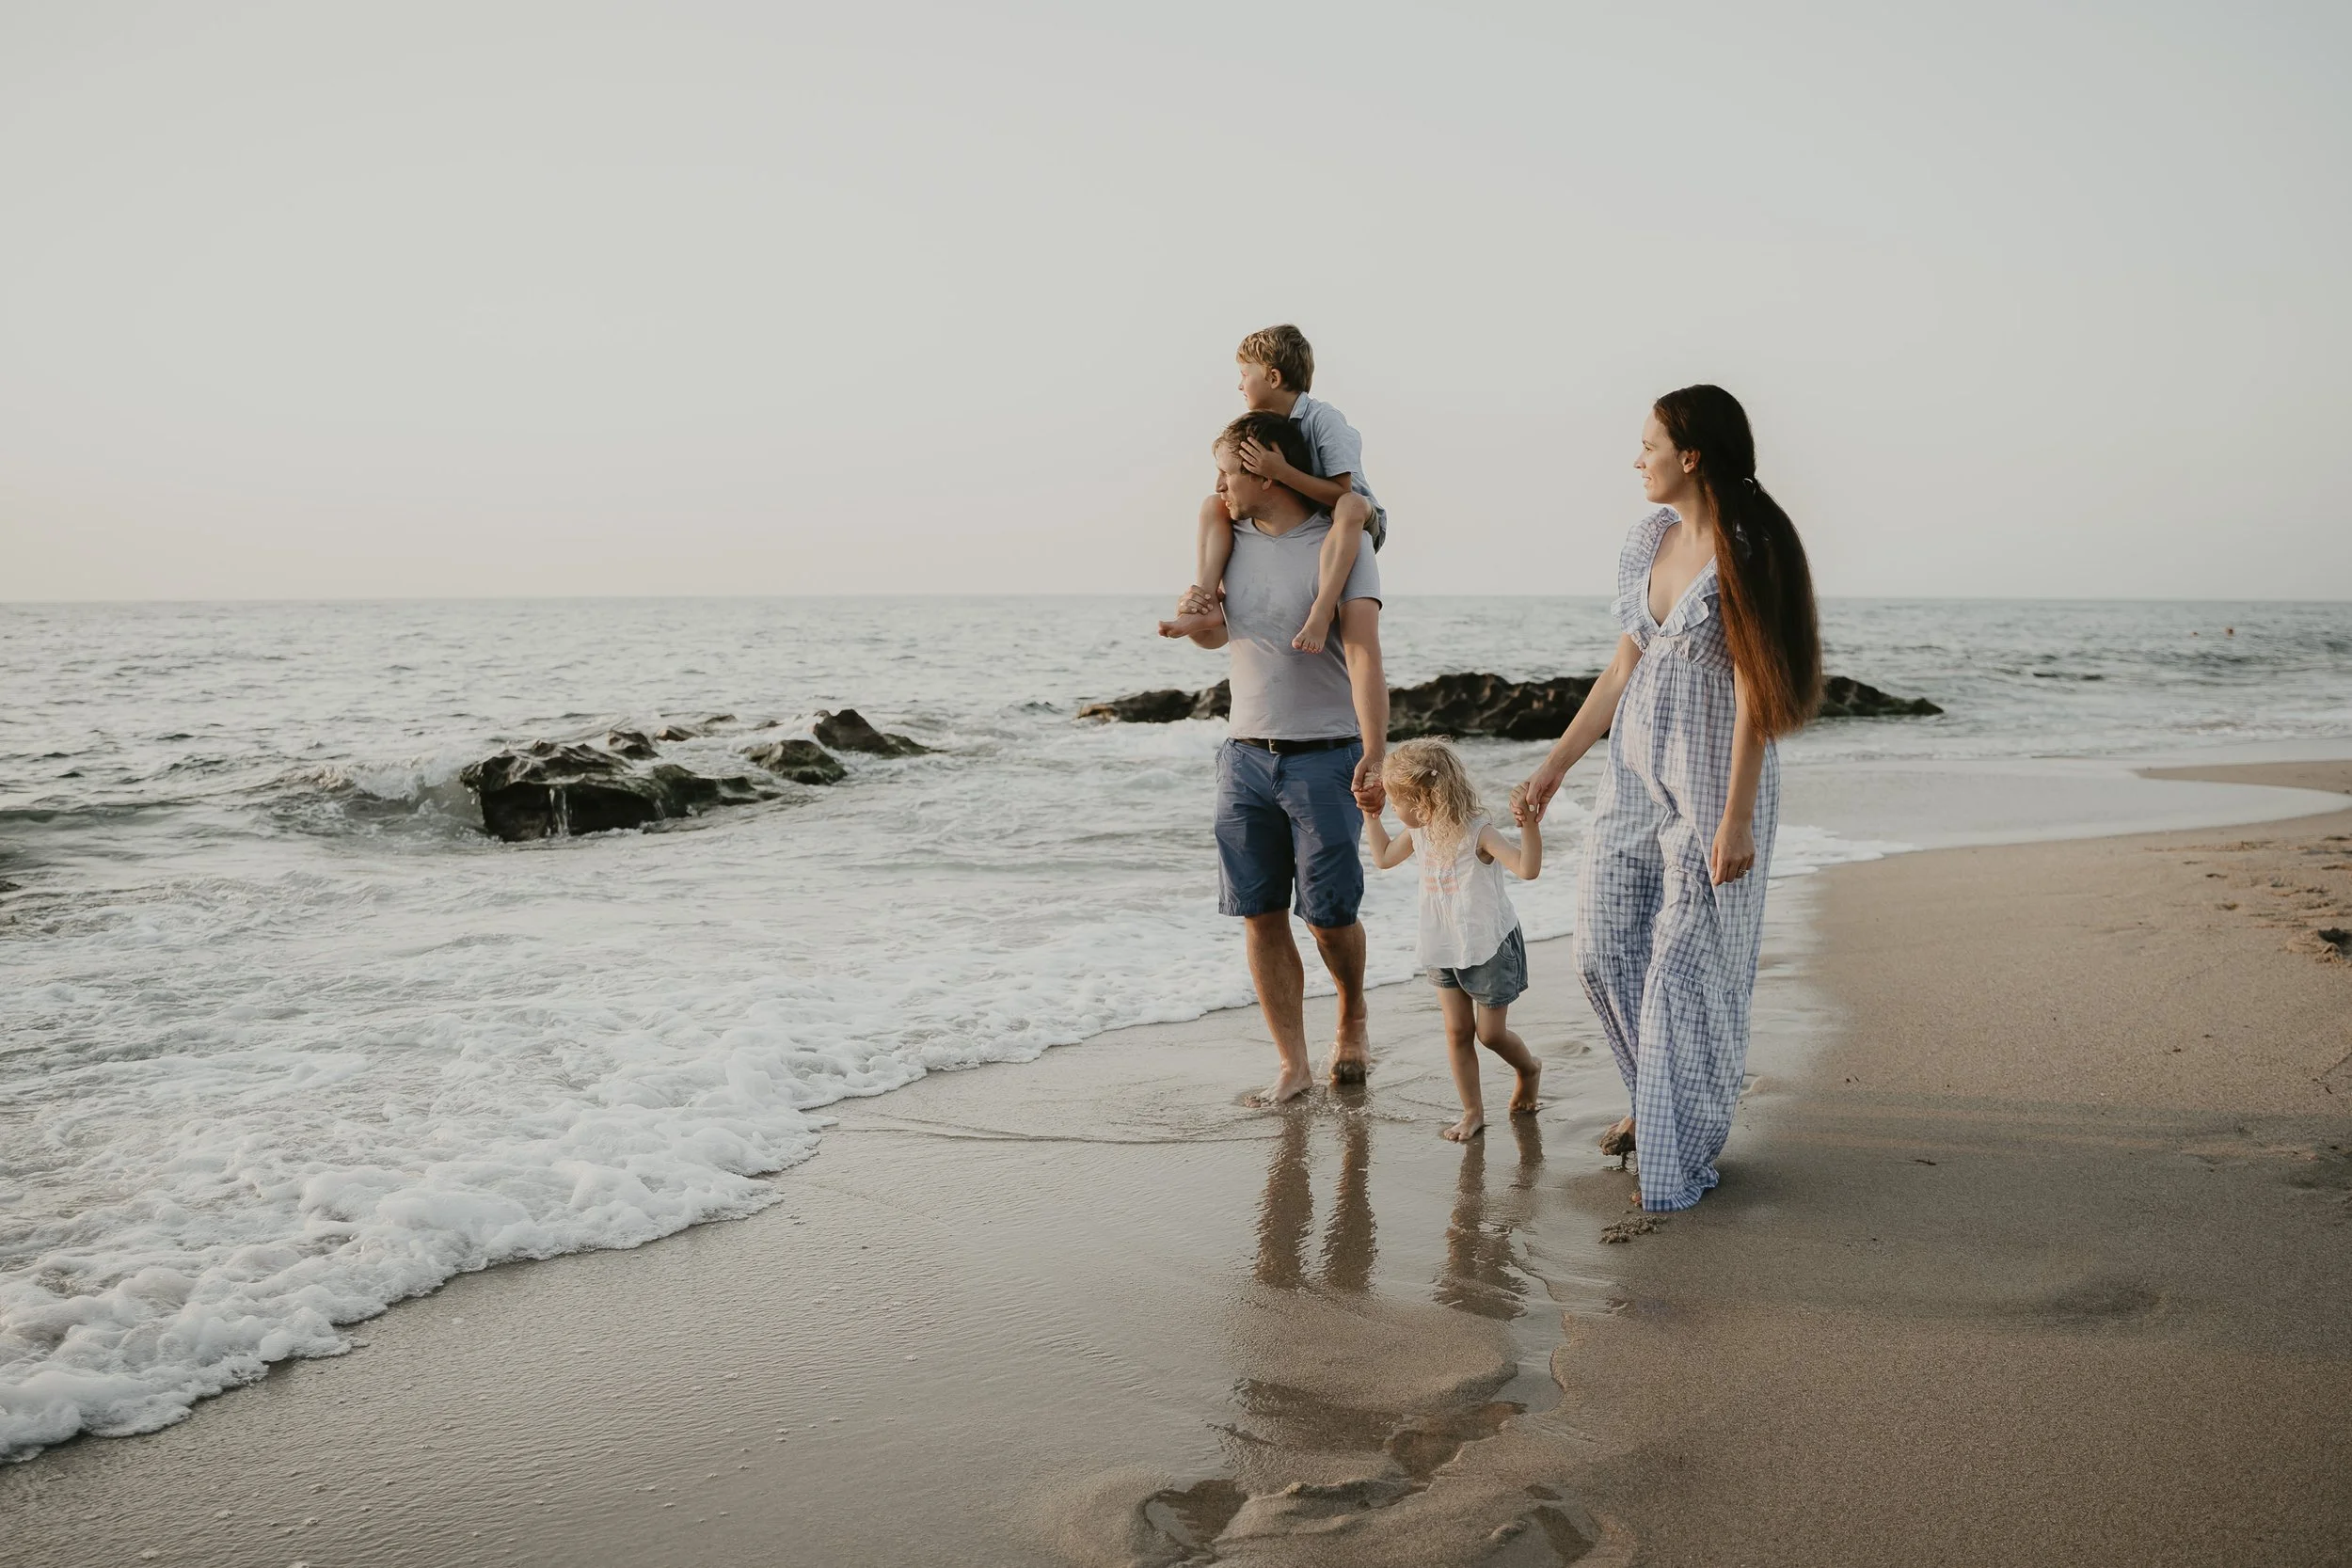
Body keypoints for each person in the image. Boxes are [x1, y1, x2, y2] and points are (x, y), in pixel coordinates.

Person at [1519, 385, 1821, 1212]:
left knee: (1683, 971)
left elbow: (1758, 687)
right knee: (1602, 948)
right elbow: (1624, 667)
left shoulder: (1747, 546)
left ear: (1690, 455)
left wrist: (1734, 816)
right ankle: (1664, 1101)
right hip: (1632, 776)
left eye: (1649, 443)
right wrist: (1555, 765)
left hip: (1713, 784)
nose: (1638, 457)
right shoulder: (1647, 538)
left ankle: (1673, 1163)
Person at [1176, 409, 1390, 1105]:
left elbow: (1362, 655)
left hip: (1325, 757)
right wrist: (1199, 622)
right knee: (1260, 912)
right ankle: (1293, 1064)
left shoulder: (1342, 545)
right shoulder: (1228, 540)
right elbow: (1221, 638)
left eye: (1229, 472)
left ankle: (1352, 1011)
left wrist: (1376, 752)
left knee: (1329, 916)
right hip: (1243, 756)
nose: (1219, 486)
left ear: (1266, 469)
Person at [1158, 325, 1386, 653]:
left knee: (1350, 506)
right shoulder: (1266, 426)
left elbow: (1341, 494)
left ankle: (1321, 611)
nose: (1239, 384)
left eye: (1244, 374)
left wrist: (1281, 471)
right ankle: (1205, 604)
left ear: (1274, 378)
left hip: (1355, 517)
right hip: (1307, 513)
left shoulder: (1324, 420)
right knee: (1213, 505)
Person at [1360, 739, 1545, 1142]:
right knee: (1457, 1032)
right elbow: (1384, 858)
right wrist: (1372, 817)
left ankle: (1528, 1069)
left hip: (1488, 947)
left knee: (1490, 1035)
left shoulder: (1479, 832)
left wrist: (1529, 826)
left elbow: (1528, 869)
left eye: (1395, 801)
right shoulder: (1420, 831)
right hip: (1442, 944)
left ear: (1423, 797)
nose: (1393, 808)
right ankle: (1472, 1111)